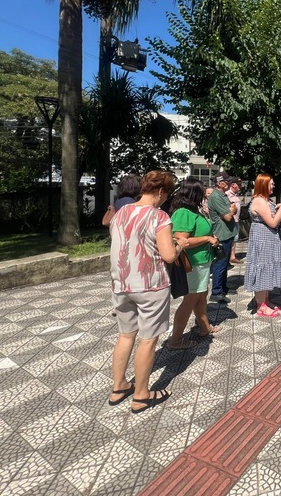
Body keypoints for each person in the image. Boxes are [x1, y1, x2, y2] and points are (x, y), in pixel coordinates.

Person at [108, 170, 188, 413]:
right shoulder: (159, 216)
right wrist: (180, 245)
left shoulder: (121, 213)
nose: (166, 199)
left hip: (121, 283)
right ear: (161, 191)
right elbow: (168, 255)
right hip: (150, 284)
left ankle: (119, 386)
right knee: (148, 339)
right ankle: (142, 394)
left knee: (125, 335)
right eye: (167, 194)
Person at [167, 178, 220, 350]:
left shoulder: (192, 211)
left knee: (201, 296)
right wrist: (207, 238)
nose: (204, 195)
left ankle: (204, 327)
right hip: (194, 263)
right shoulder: (184, 213)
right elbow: (181, 240)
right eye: (202, 192)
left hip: (202, 262)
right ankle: (175, 340)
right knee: (190, 301)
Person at [245, 174, 281, 317]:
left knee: (267, 270)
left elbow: (278, 219)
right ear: (263, 185)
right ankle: (261, 306)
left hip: (269, 239)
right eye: (271, 184)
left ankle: (265, 300)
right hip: (263, 240)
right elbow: (273, 222)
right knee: (262, 269)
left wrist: (279, 214)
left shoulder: (266, 201)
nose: (273, 186)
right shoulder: (259, 201)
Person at [208, 172, 239, 302]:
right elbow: (228, 216)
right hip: (222, 234)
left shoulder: (223, 195)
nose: (230, 183)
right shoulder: (216, 196)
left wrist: (231, 210)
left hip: (228, 232)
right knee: (220, 263)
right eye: (227, 181)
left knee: (225, 263)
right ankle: (216, 292)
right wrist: (230, 211)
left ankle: (223, 288)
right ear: (220, 183)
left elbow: (234, 210)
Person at [226, 179, 243, 264]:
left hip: (236, 220)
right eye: (238, 184)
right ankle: (227, 257)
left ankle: (232, 256)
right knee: (230, 239)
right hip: (230, 220)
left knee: (235, 238)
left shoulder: (236, 195)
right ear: (233, 185)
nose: (240, 186)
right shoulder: (227, 194)